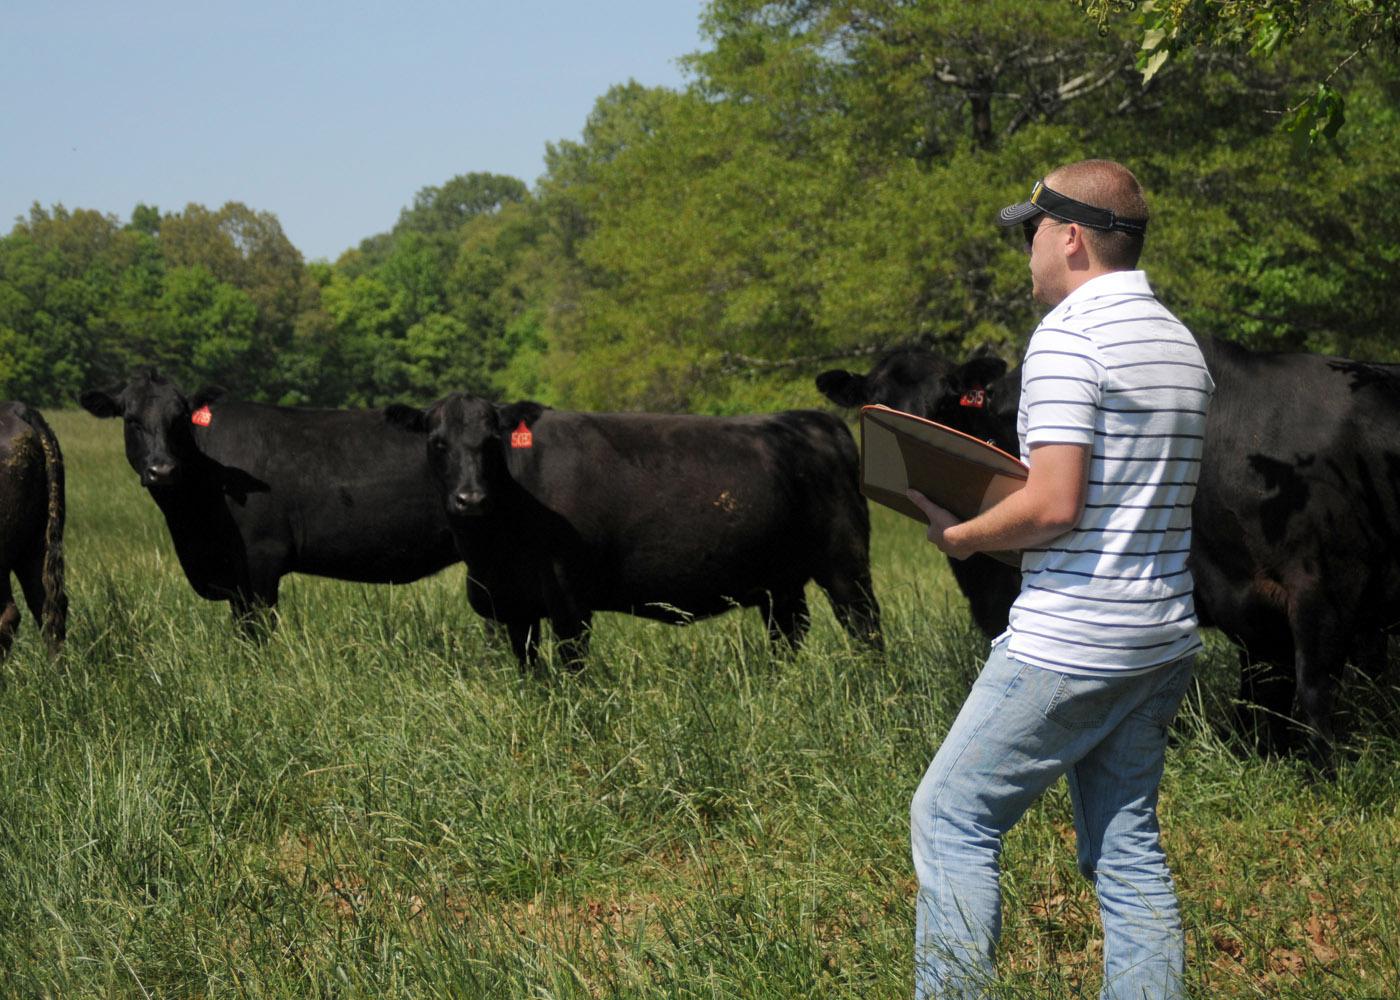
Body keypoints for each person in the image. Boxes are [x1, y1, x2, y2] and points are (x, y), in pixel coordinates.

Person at [904, 158, 1214, 999]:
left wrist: (962, 534)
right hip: (1161, 634)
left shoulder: (1070, 338)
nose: (1028, 251)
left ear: (1071, 238)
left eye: (1032, 232)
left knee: (950, 817)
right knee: (1125, 845)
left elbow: (1054, 505)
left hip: (1072, 638)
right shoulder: (1177, 342)